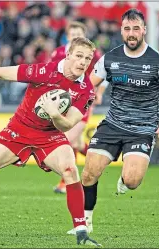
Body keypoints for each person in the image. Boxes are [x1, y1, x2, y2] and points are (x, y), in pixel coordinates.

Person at [0, 37, 101, 247]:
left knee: (70, 170)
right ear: (68, 55)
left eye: (87, 58)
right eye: (79, 56)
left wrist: (54, 114)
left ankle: (81, 232)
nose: (83, 62)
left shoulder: (86, 89)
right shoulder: (42, 72)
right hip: (18, 130)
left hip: (50, 136)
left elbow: (67, 125)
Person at [73, 9, 159, 235]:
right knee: (88, 173)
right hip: (112, 125)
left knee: (132, 181)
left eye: (135, 28)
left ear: (144, 30)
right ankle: (84, 224)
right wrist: (77, 100)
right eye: (127, 29)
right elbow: (87, 85)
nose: (131, 33)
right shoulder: (110, 58)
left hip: (142, 130)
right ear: (121, 31)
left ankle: (125, 178)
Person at [51, 21, 105, 194]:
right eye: (72, 34)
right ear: (68, 36)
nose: (75, 36)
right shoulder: (59, 52)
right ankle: (98, 158)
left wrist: (100, 92)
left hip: (83, 99)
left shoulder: (93, 54)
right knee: (75, 142)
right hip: (64, 101)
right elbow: (52, 73)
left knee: (67, 140)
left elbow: (106, 74)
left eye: (78, 34)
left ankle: (65, 182)